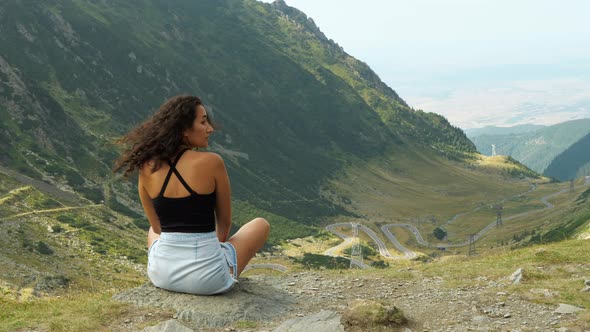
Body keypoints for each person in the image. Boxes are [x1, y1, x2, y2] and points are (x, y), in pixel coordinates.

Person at [113, 95, 270, 295]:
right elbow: (224, 223)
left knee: (151, 233)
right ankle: (210, 264)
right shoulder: (212, 162)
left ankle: (173, 265)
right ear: (184, 130)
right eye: (203, 122)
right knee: (260, 224)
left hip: (162, 276)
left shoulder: (146, 167)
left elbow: (157, 228)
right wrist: (210, 254)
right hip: (208, 280)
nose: (210, 129)